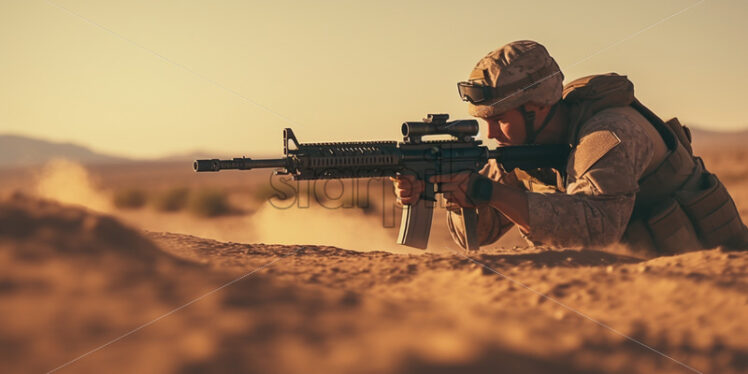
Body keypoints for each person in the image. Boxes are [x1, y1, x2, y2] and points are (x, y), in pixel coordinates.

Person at [392, 40, 748, 254]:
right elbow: (479, 235)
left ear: (536, 108)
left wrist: (488, 190)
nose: (490, 133)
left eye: (498, 118)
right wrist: (452, 195)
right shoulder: (519, 146)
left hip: (715, 281)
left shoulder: (611, 134)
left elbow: (596, 231)